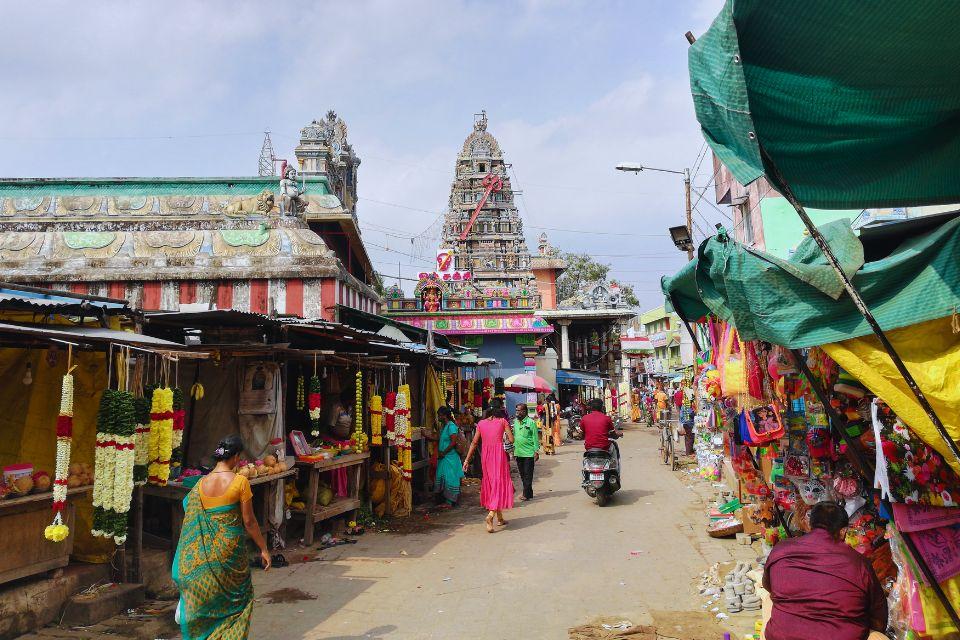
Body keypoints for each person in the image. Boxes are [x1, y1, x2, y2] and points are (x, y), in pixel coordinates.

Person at [173, 435, 270, 640]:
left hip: (204, 558)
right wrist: (263, 548)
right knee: (237, 604)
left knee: (212, 605)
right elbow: (250, 522)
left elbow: (187, 510)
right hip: (230, 556)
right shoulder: (240, 482)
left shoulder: (200, 485)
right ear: (235, 457)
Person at [762, 502, 889, 640]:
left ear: (810, 525)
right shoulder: (858, 562)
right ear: (843, 531)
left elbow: (768, 586)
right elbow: (878, 616)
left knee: (767, 600)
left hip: (781, 635)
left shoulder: (781, 549)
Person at [462, 407, 515, 532]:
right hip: (499, 455)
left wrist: (466, 460)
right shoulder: (503, 421)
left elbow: (474, 443)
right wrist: (505, 438)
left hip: (486, 456)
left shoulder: (481, 423)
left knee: (492, 484)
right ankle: (491, 515)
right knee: (499, 484)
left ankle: (500, 518)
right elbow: (511, 439)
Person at [433, 406, 464, 508]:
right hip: (445, 457)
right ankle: (446, 500)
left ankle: (450, 502)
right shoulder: (444, 426)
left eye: (440, 415)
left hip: (449, 457)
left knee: (450, 479)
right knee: (443, 477)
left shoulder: (451, 426)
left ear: (445, 416)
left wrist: (444, 452)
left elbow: (453, 442)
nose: (438, 417)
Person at [512, 403, 541, 501]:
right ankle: (529, 493)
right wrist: (514, 451)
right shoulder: (515, 422)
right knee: (522, 474)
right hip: (518, 452)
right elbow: (515, 436)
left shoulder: (531, 422)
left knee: (528, 474)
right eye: (516, 410)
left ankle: (525, 494)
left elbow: (535, 437)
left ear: (524, 411)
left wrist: (536, 451)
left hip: (528, 452)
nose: (517, 412)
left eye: (519, 410)